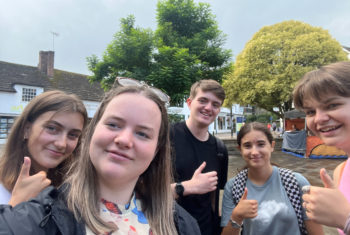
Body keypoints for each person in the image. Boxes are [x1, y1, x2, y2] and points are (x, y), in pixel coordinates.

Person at [0, 79, 200, 235]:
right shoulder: (37, 217)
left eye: (142, 133)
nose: (124, 139)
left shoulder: (184, 225)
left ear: (157, 150)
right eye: (113, 124)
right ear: (92, 133)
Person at [220, 122, 323, 235]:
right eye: (247, 146)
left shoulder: (296, 182)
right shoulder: (233, 187)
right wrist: (236, 216)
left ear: (272, 146)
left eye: (261, 144)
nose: (254, 152)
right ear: (240, 149)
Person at [0, 90, 87, 206]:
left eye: (73, 135)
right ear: (26, 129)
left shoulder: (73, 188)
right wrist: (16, 204)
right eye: (52, 128)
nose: (62, 144)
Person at [293, 61, 350, 235]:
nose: (319, 119)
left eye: (332, 105)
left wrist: (346, 220)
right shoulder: (341, 171)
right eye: (310, 112)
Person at [171, 79, 228, 235]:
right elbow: (142, 191)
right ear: (189, 103)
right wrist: (187, 187)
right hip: (167, 228)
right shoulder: (165, 138)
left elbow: (214, 198)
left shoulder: (220, 149)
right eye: (203, 100)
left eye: (215, 104)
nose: (208, 108)